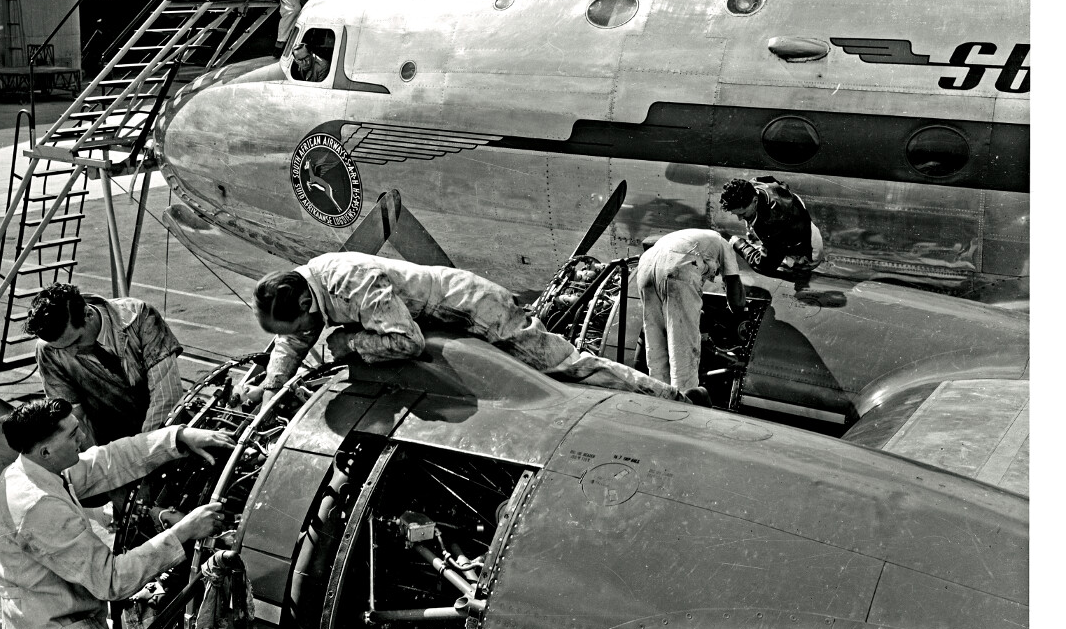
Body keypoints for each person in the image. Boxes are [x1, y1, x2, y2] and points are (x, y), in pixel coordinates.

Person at [0, 395, 232, 629]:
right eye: (72, 436)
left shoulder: (33, 470)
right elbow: (111, 580)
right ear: (45, 450)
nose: (82, 439)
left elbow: (106, 461)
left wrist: (177, 438)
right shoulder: (38, 505)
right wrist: (183, 532)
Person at [235, 251, 697, 405]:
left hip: (474, 308)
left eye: (296, 322)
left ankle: (670, 398)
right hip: (448, 310)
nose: (299, 333)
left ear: (301, 301)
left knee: (565, 367)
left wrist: (348, 341)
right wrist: (272, 386)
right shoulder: (302, 287)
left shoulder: (348, 281)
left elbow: (405, 340)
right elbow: (293, 337)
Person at [26, 283, 185, 442]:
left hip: (161, 433)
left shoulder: (141, 317)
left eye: (76, 342)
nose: (72, 353)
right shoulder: (47, 350)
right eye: (62, 349)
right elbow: (75, 420)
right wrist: (98, 460)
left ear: (88, 314)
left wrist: (145, 450)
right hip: (110, 446)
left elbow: (166, 396)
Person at [636, 228, 748, 401]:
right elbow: (737, 303)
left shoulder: (696, 236)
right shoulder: (725, 246)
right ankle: (685, 407)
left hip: (645, 266)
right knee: (683, 353)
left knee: (656, 349)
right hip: (679, 267)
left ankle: (658, 402)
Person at [718, 176, 822, 279]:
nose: (739, 219)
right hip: (797, 228)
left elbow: (763, 267)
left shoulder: (774, 223)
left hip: (807, 253)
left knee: (775, 270)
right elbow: (779, 183)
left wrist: (738, 244)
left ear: (755, 200)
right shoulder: (755, 184)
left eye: (743, 213)